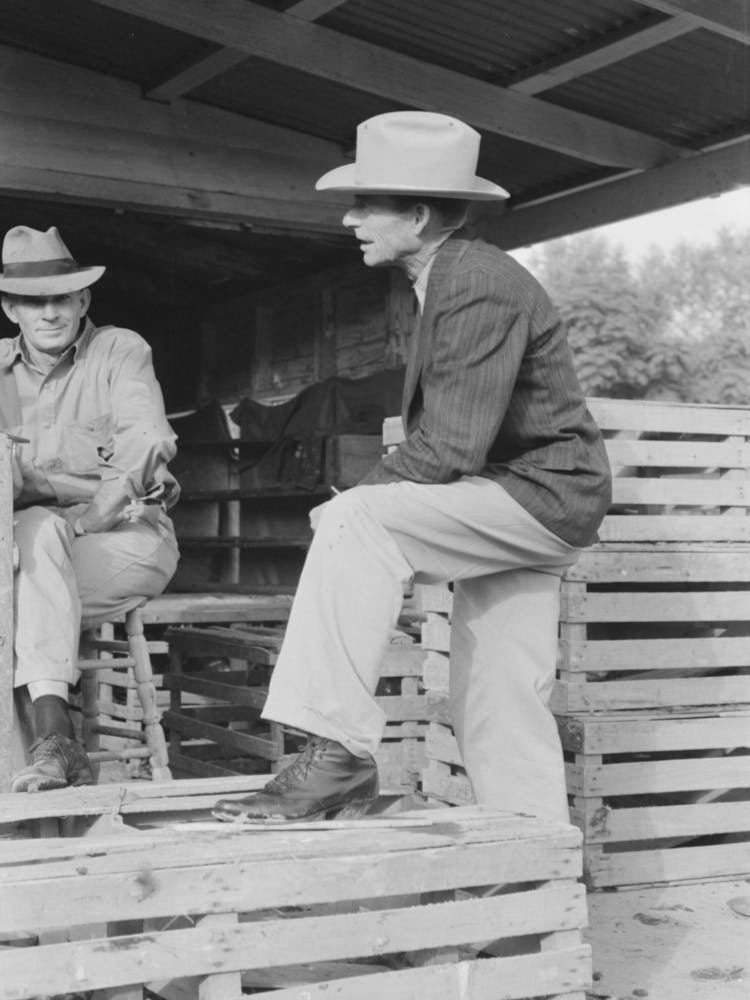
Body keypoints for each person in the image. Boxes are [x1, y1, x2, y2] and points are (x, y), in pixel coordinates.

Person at [214, 111, 611, 825]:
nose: (349, 219)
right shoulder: (449, 278)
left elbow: (449, 447)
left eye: (366, 205)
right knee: (495, 694)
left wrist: (353, 500)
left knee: (354, 520)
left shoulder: (477, 283)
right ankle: (536, 866)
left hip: (539, 496)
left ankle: (337, 749)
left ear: (419, 216)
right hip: (519, 496)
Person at [0, 225, 180, 792]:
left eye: (62, 297)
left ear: (83, 300)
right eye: (34, 301)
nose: (50, 312)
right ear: (10, 309)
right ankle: (55, 750)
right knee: (34, 539)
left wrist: (87, 516)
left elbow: (147, 440)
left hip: (125, 535)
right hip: (31, 541)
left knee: (15, 596)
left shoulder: (119, 350)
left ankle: (46, 750)